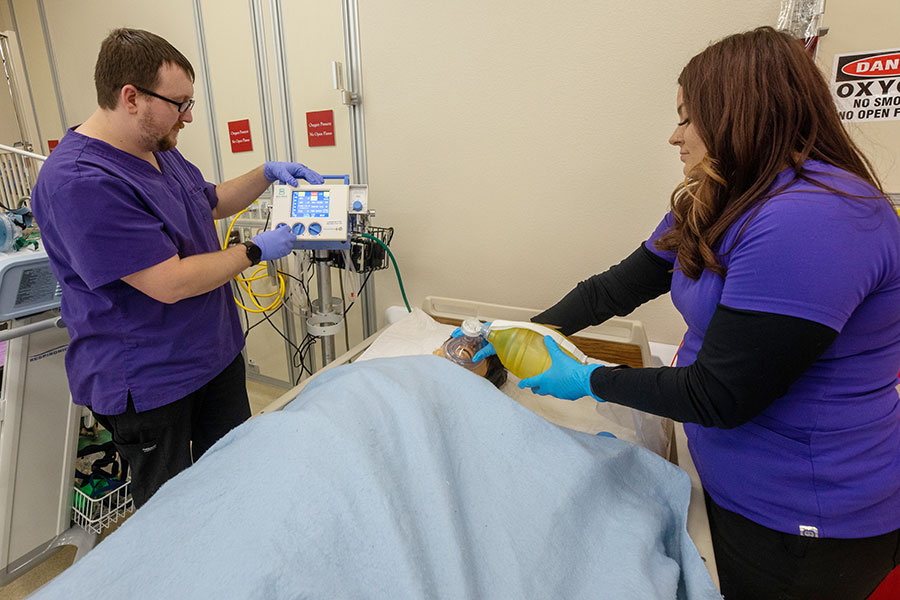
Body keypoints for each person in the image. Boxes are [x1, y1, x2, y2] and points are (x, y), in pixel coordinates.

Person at [480, 27, 900, 599]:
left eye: (687, 117)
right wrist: (527, 330)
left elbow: (721, 395)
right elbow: (615, 288)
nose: (673, 136)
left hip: (803, 517)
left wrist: (587, 380)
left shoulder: (814, 220)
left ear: (738, 115)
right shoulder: (724, 195)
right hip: (727, 476)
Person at [31, 28, 324, 508]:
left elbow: (208, 201)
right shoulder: (81, 181)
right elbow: (168, 283)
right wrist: (255, 251)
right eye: (180, 104)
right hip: (150, 382)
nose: (188, 117)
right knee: (175, 517)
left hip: (214, 357)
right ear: (131, 97)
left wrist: (267, 173)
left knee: (235, 485)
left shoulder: (156, 148)